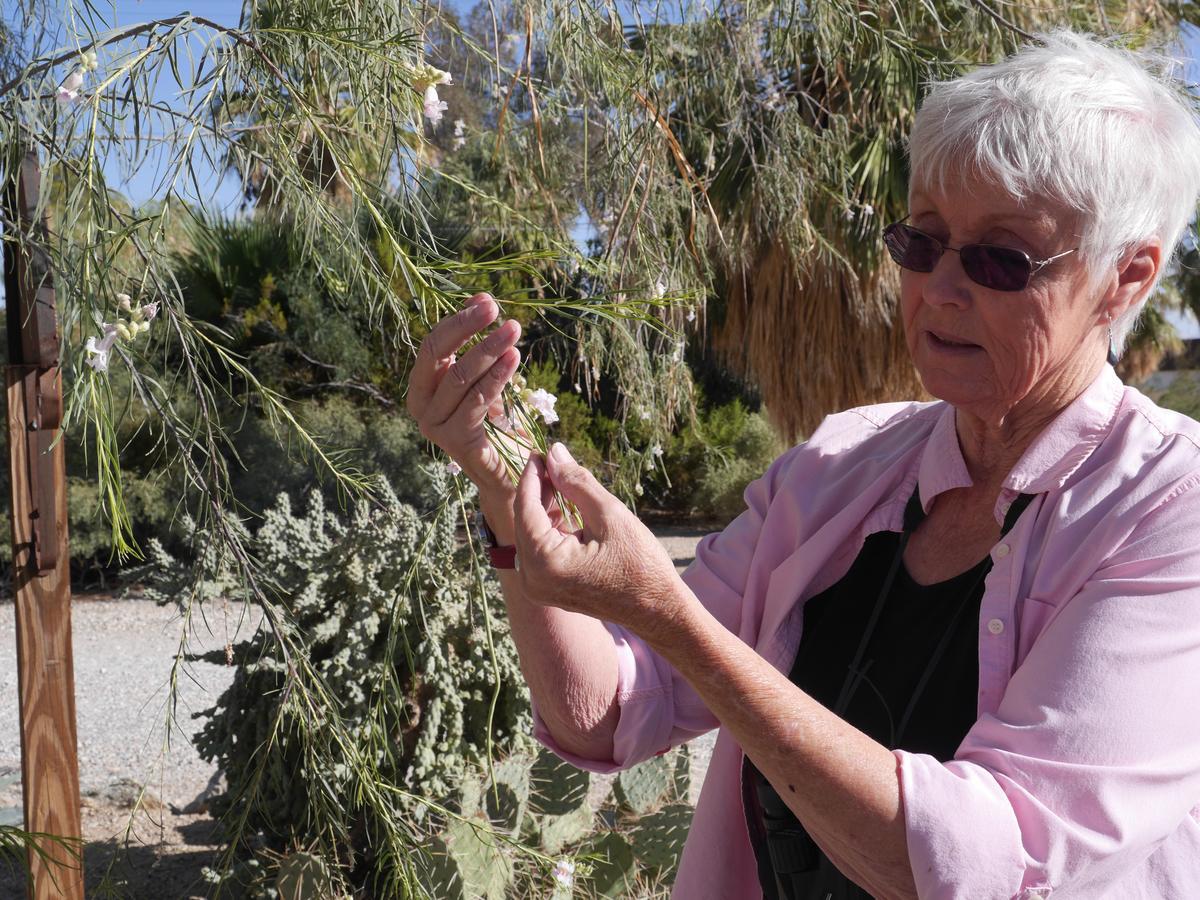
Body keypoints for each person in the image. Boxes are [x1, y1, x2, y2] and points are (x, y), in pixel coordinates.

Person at [405, 30, 1200, 899]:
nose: (938, 288)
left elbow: (979, 862)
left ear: (1125, 278)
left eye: (999, 260)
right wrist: (501, 482)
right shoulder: (839, 468)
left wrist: (674, 620)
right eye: (922, 242)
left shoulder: (1169, 510)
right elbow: (606, 714)